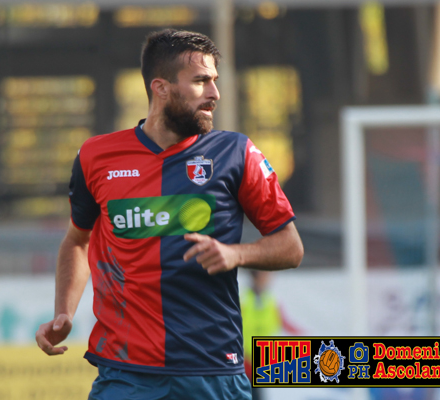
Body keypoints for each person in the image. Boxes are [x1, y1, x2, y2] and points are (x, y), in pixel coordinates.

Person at [35, 29, 304, 400]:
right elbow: (78, 241)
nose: (215, 93)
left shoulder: (236, 153)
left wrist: (236, 254)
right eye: (201, 81)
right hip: (126, 375)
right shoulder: (96, 157)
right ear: (160, 88)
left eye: (215, 80)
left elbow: (291, 247)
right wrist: (64, 311)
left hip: (213, 373)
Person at [241, 270, 302, 400]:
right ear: (256, 277)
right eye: (265, 275)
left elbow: (284, 322)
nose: (268, 279)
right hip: (245, 360)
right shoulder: (243, 300)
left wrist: (303, 335)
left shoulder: (271, 300)